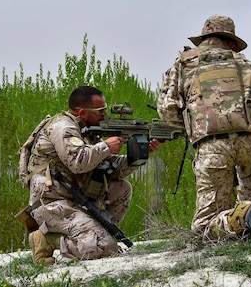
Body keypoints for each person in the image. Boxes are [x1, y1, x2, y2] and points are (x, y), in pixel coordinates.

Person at [156, 14, 251, 254]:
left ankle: (247, 216)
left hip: (214, 147)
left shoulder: (183, 63)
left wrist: (193, 125)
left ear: (204, 39)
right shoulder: (245, 63)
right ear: (230, 42)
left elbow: (167, 108)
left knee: (204, 226)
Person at [21, 85, 161, 265]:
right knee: (105, 248)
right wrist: (106, 146)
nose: (105, 115)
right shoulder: (63, 128)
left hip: (77, 197)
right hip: (55, 201)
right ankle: (47, 240)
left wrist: (139, 156)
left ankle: (96, 233)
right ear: (83, 113)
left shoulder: (87, 130)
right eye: (100, 111)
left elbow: (113, 168)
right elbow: (78, 163)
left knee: (122, 188)